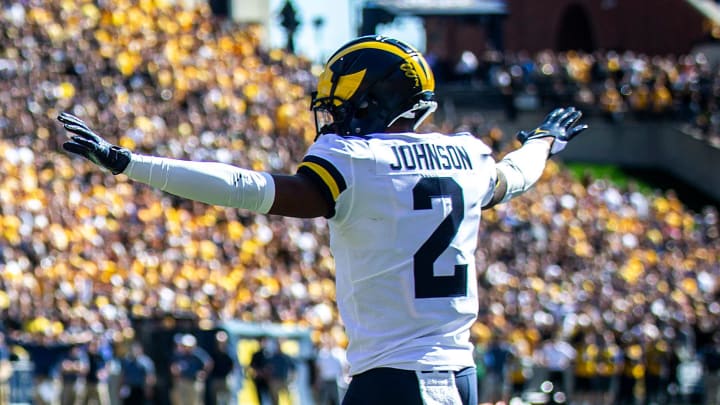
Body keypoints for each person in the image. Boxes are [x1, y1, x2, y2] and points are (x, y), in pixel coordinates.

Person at [58, 35, 588, 405]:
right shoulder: (468, 157)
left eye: (342, 104)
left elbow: (251, 189)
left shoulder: (356, 161)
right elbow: (515, 175)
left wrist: (132, 163)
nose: (333, 117)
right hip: (461, 374)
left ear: (376, 100)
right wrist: (543, 141)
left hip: (391, 380)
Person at [169, 334, 213, 405]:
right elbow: (173, 366)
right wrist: (175, 371)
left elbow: (209, 363)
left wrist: (204, 373)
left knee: (195, 402)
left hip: (194, 382)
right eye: (185, 346)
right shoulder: (179, 354)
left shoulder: (198, 353)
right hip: (182, 382)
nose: (187, 348)